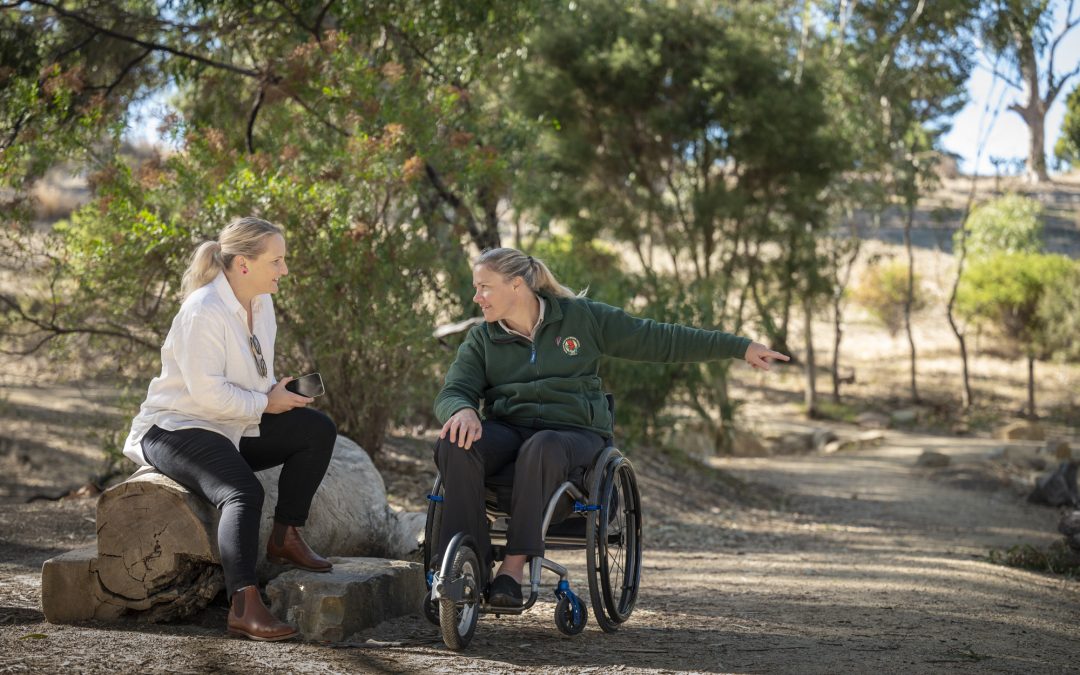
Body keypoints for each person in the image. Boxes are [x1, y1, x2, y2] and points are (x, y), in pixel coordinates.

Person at [432, 247, 788, 608]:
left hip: (574, 436)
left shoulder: (581, 319)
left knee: (542, 445)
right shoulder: (482, 339)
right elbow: (454, 391)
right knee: (455, 443)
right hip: (510, 431)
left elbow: (658, 338)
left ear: (517, 285)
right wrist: (461, 410)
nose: (477, 297)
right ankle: (464, 568)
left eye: (485, 287)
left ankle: (512, 569)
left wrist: (739, 347)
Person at [122, 216, 337, 641]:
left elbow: (250, 377)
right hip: (176, 428)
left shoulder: (262, 304)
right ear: (243, 264)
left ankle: (285, 535)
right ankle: (244, 604)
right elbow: (206, 396)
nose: (284, 270)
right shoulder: (202, 311)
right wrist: (264, 403)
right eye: (276, 261)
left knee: (317, 430)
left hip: (232, 423)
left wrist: (275, 393)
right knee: (242, 491)